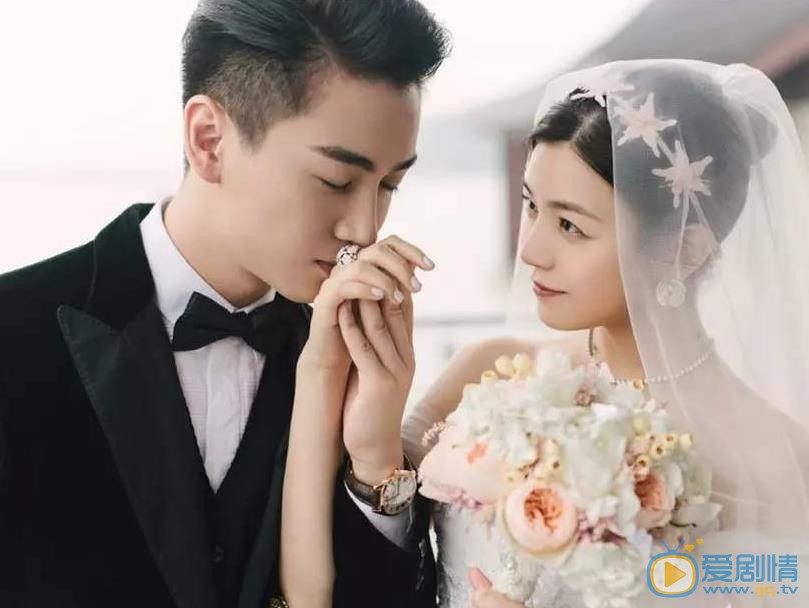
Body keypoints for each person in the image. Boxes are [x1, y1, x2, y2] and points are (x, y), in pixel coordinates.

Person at [0, 1, 449, 607]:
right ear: (209, 140)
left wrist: (375, 464)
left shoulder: (351, 364)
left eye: (390, 185)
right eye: (337, 181)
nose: (365, 229)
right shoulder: (15, 330)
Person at [402, 60, 809, 608]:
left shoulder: (776, 459)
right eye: (531, 206)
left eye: (570, 225)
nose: (531, 250)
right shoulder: (485, 371)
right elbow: (369, 563)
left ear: (684, 249)